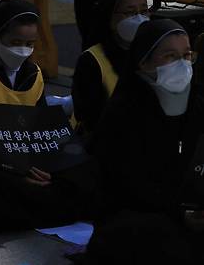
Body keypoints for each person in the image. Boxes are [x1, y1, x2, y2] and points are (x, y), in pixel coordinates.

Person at [0, 0, 98, 230]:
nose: (23, 49)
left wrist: (43, 164)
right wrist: (16, 170)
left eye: (29, 43)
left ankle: (39, 204)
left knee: (85, 167)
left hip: (27, 159)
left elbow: (43, 128)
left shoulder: (33, 74)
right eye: (15, 42)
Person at [87, 19, 204, 264]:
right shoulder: (124, 112)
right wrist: (180, 212)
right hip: (136, 216)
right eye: (170, 57)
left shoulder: (197, 105)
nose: (182, 65)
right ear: (143, 61)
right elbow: (125, 185)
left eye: (186, 55)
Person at [71, 0, 148, 143]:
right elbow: (89, 119)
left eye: (144, 11)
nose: (140, 18)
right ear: (109, 17)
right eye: (130, 13)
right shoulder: (92, 61)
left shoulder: (151, 53)